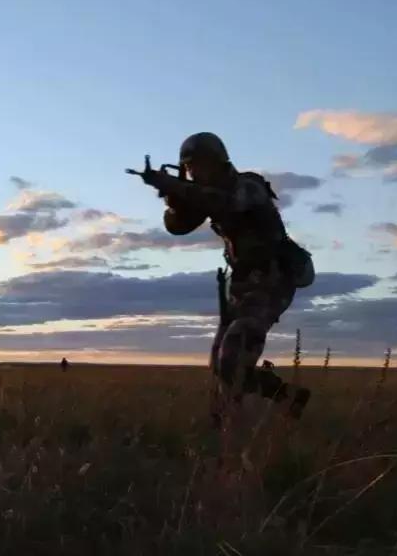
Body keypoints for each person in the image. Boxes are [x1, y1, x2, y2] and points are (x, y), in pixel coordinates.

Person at [127, 133, 313, 423]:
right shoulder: (203, 194)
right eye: (189, 168)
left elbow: (223, 204)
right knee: (220, 364)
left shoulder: (247, 185)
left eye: (197, 165)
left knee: (232, 355)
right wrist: (173, 197)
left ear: (216, 161)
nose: (194, 173)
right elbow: (178, 226)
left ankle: (240, 417)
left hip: (270, 281)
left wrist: (173, 185)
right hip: (240, 284)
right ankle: (255, 410)